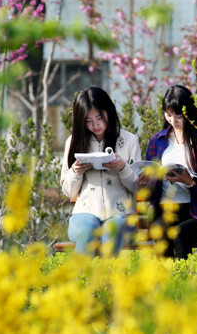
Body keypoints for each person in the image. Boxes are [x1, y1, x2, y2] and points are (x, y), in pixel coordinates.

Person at [137, 84, 197, 259]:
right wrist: (146, 182)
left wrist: (189, 182)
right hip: (164, 209)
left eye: (179, 116)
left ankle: (183, 281)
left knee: (179, 233)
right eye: (168, 115)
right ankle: (166, 282)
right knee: (161, 232)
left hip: (194, 211)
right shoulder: (157, 141)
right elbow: (150, 189)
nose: (173, 121)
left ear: (189, 114)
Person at [60, 87, 141, 255]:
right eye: (88, 120)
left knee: (111, 232)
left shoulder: (129, 141)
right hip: (84, 214)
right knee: (87, 232)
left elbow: (138, 188)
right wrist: (76, 172)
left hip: (121, 215)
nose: (95, 125)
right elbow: (68, 191)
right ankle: (81, 280)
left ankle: (107, 280)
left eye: (99, 117)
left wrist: (122, 168)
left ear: (109, 112)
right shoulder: (74, 141)